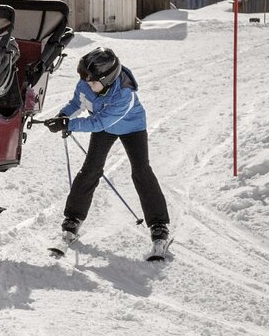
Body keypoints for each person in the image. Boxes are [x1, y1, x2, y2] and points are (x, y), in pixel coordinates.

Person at [40, 48, 172, 260]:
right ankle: (73, 220)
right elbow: (77, 103)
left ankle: (159, 225)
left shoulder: (124, 94)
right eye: (85, 78)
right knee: (90, 169)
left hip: (132, 127)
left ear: (107, 79)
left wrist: (69, 125)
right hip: (105, 128)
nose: (87, 83)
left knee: (141, 171)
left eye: (92, 81)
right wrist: (62, 117)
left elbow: (98, 122)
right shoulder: (87, 82)